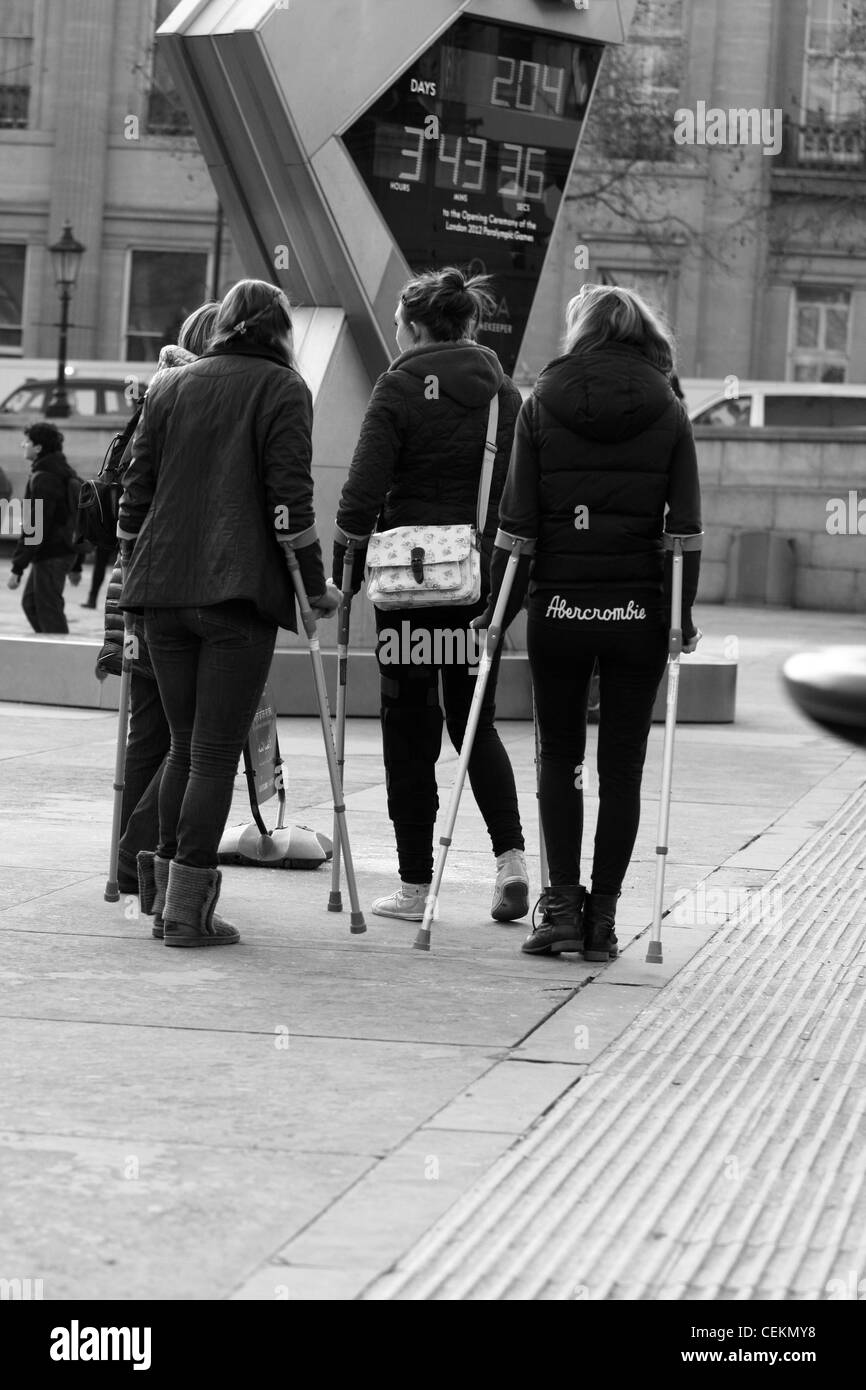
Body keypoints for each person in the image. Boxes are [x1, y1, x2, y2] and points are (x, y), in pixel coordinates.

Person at [475, 284, 702, 960]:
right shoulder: (669, 408)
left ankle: (562, 913)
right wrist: (678, 619)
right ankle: (603, 924)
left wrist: (497, 611)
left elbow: (516, 527)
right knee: (622, 767)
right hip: (635, 611)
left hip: (561, 608)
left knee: (561, 762)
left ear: (582, 330)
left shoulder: (541, 401)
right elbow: (684, 531)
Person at [118, 279, 338, 946]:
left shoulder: (172, 387)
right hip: (237, 594)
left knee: (185, 748)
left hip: (160, 590)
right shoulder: (283, 389)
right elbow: (288, 506)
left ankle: (159, 899)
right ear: (278, 330)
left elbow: (136, 493)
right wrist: (313, 588)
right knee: (214, 754)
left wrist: (133, 574)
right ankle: (188, 910)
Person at [333, 266, 528, 924]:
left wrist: (344, 575)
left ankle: (416, 886)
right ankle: (512, 862)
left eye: (397, 324)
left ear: (415, 325)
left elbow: (360, 496)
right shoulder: (504, 393)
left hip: (411, 588)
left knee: (408, 726)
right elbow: (524, 499)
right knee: (474, 722)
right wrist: (508, 589)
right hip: (480, 586)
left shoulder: (398, 386)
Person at [97, 304, 221, 896]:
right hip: (177, 588)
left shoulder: (157, 398)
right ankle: (140, 853)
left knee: (150, 735)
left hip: (138, 589)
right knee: (189, 739)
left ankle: (129, 862)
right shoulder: (202, 402)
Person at [6, 422, 79, 632]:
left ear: (38, 448)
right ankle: (52, 650)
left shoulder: (44, 478)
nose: (23, 445)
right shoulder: (61, 471)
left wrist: (18, 567)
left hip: (52, 552)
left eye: (27, 442)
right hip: (57, 551)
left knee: (48, 610)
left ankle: (60, 657)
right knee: (32, 604)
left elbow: (35, 525)